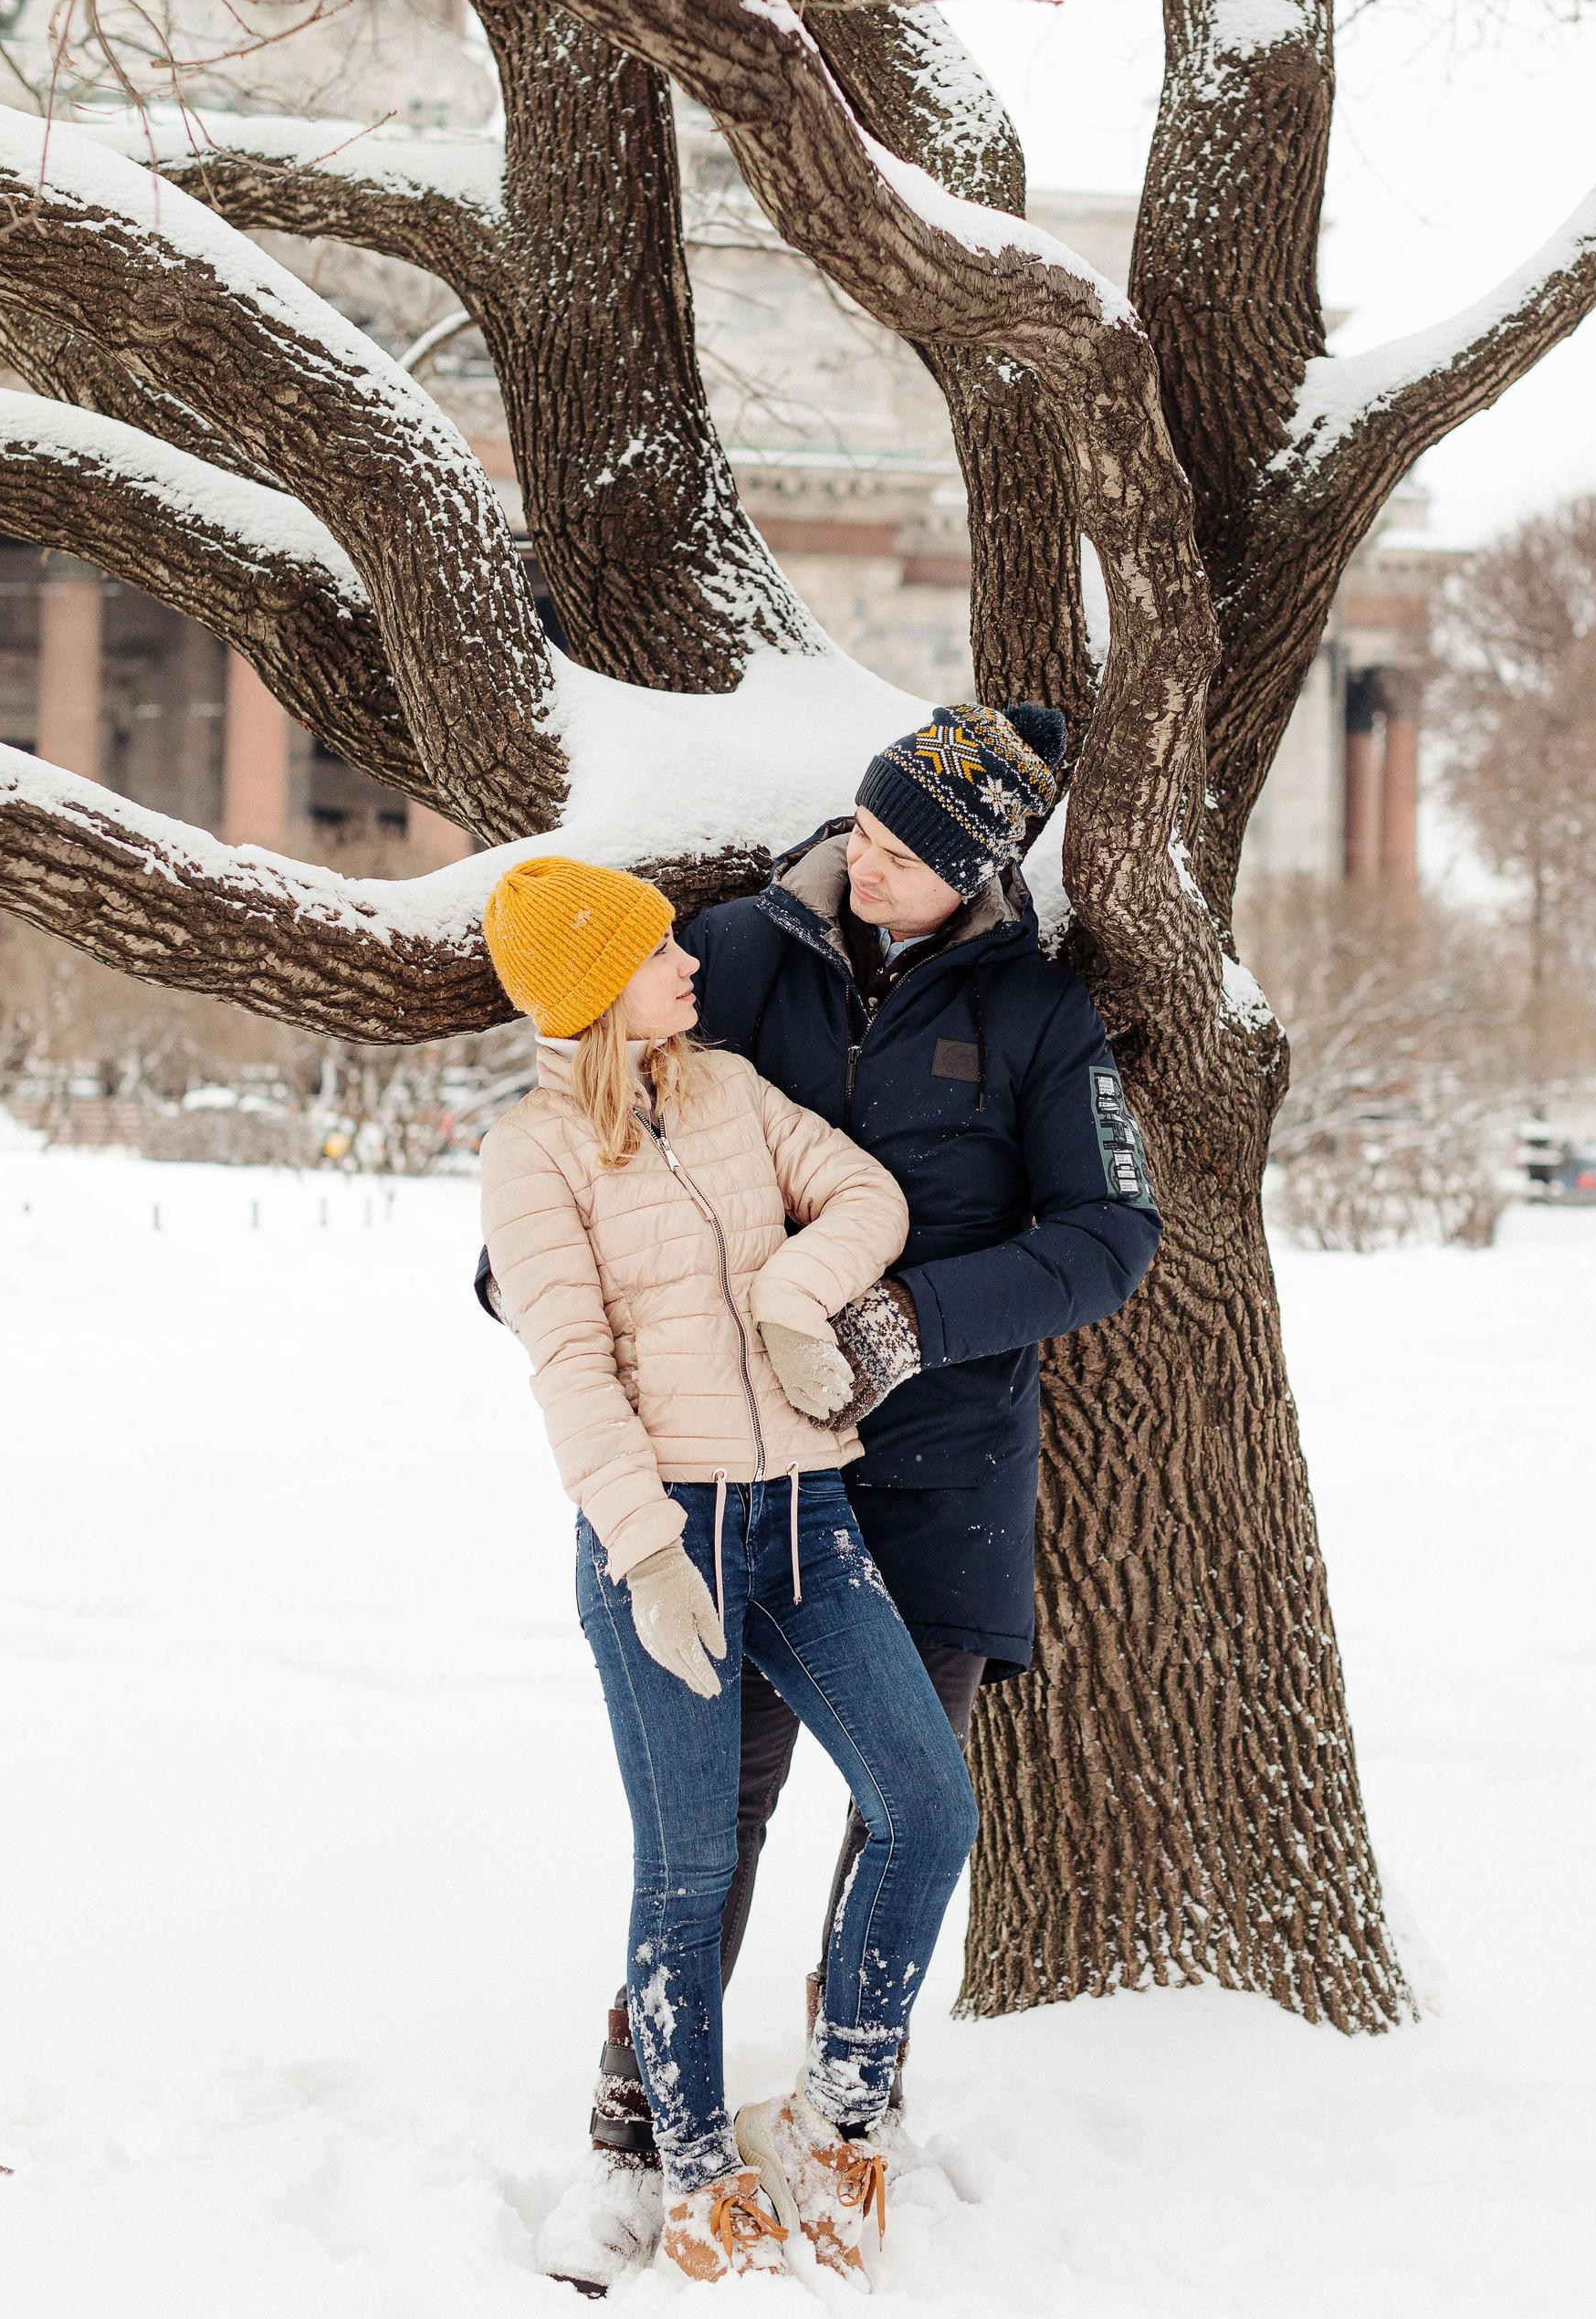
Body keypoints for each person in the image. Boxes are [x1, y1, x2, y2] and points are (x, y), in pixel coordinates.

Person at [510, 701, 1161, 2294]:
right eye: (858, 835)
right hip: (716, 1476)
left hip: (933, 1475)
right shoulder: (732, 951)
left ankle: (845, 2106)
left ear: (978, 875)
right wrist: (594, 1327)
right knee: (713, 1813)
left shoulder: (1037, 1015)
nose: (858, 866)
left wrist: (902, 1323)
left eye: (897, 856)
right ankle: (635, 2135)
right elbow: (587, 1159)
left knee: (908, 1802)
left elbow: (1109, 1240)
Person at [479, 853, 979, 2290]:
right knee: (691, 1869)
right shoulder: (534, 1154)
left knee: (928, 1806)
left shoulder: (728, 1089)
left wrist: (792, 1288)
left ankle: (839, 2118)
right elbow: (570, 1366)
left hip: (808, 1518)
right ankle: (696, 2172)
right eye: (654, 954)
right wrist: (645, 1554)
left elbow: (868, 1197)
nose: (689, 963)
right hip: (667, 1537)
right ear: (590, 995)